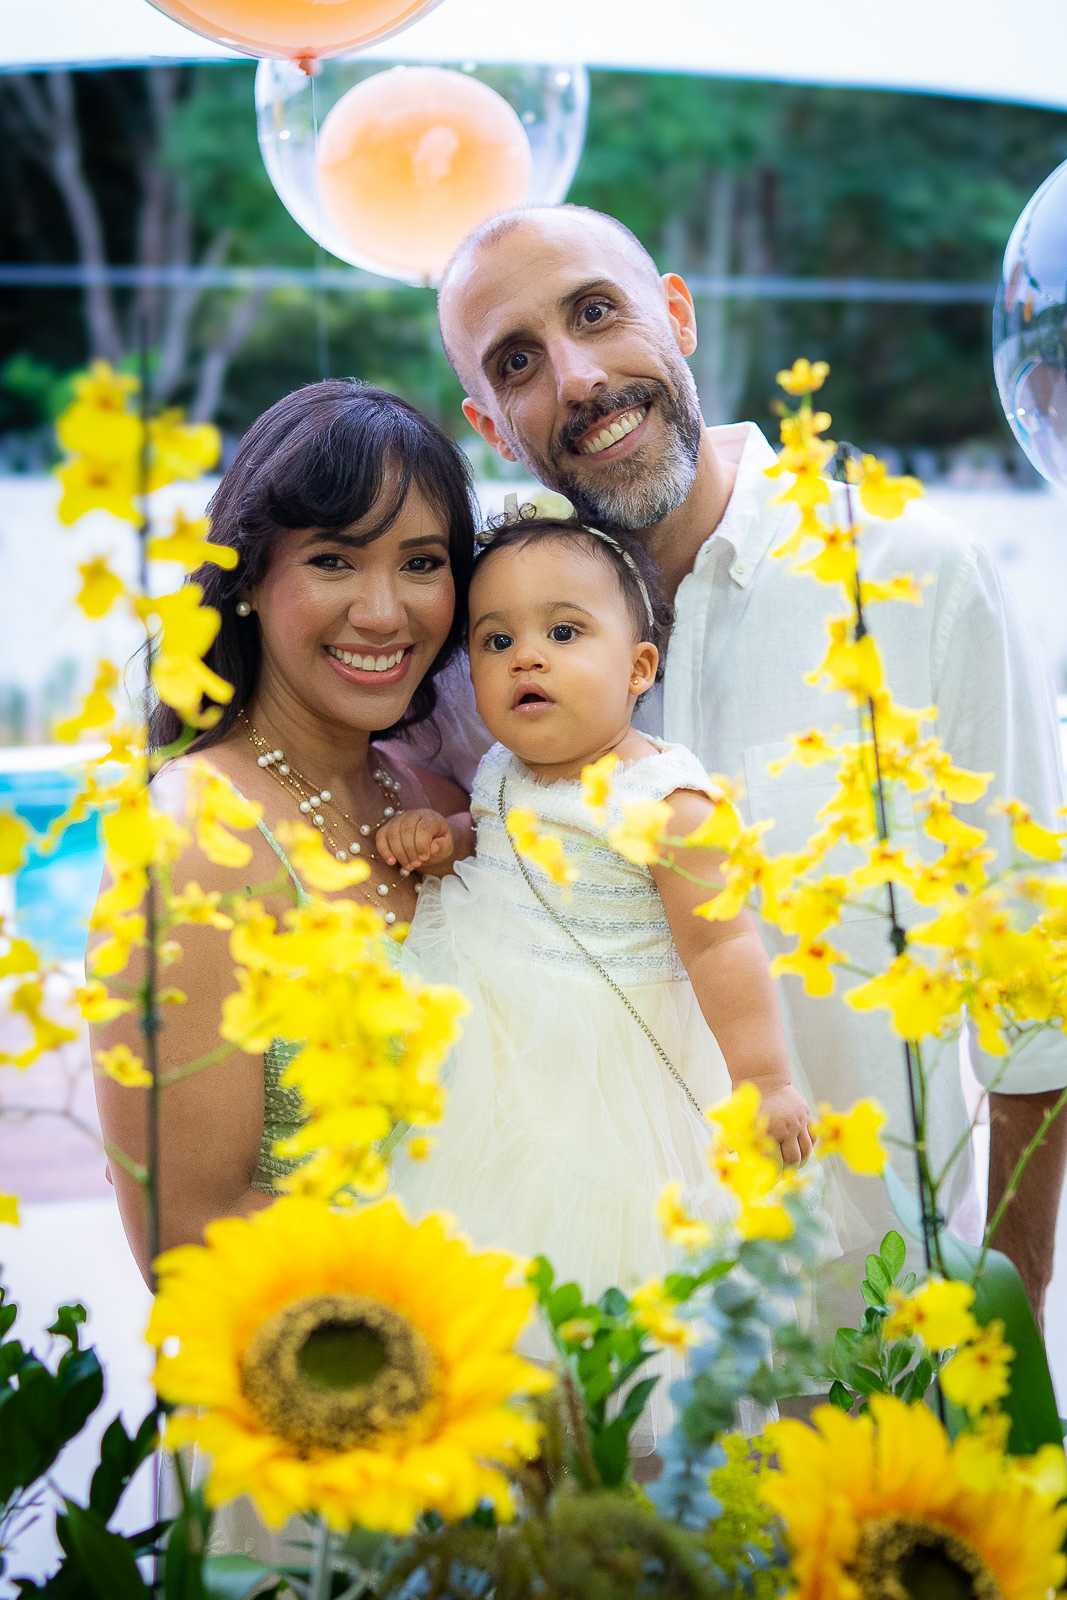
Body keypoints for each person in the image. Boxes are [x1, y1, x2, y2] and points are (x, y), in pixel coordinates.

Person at [394, 202, 1067, 1323]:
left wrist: (1009, 1296)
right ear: (490, 420)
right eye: (518, 361)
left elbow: (1033, 984)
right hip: (609, 1366)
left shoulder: (904, 576)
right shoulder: (489, 661)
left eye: (596, 312)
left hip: (869, 1340)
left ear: (677, 315)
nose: (575, 377)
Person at [381, 512, 839, 1446]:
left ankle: (614, 1461)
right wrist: (449, 839)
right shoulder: (503, 769)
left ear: (637, 669)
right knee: (484, 1257)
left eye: (562, 632)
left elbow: (722, 948)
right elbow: (503, 837)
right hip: (490, 1041)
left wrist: (761, 1081)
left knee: (603, 1274)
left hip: (605, 1071)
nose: (525, 660)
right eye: (496, 641)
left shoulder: (665, 801)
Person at [91, 378, 476, 1286]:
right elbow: (188, 1235)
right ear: (250, 579)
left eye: (421, 563)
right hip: (329, 1384)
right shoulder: (189, 838)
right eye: (335, 561)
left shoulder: (433, 798)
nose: (385, 612)